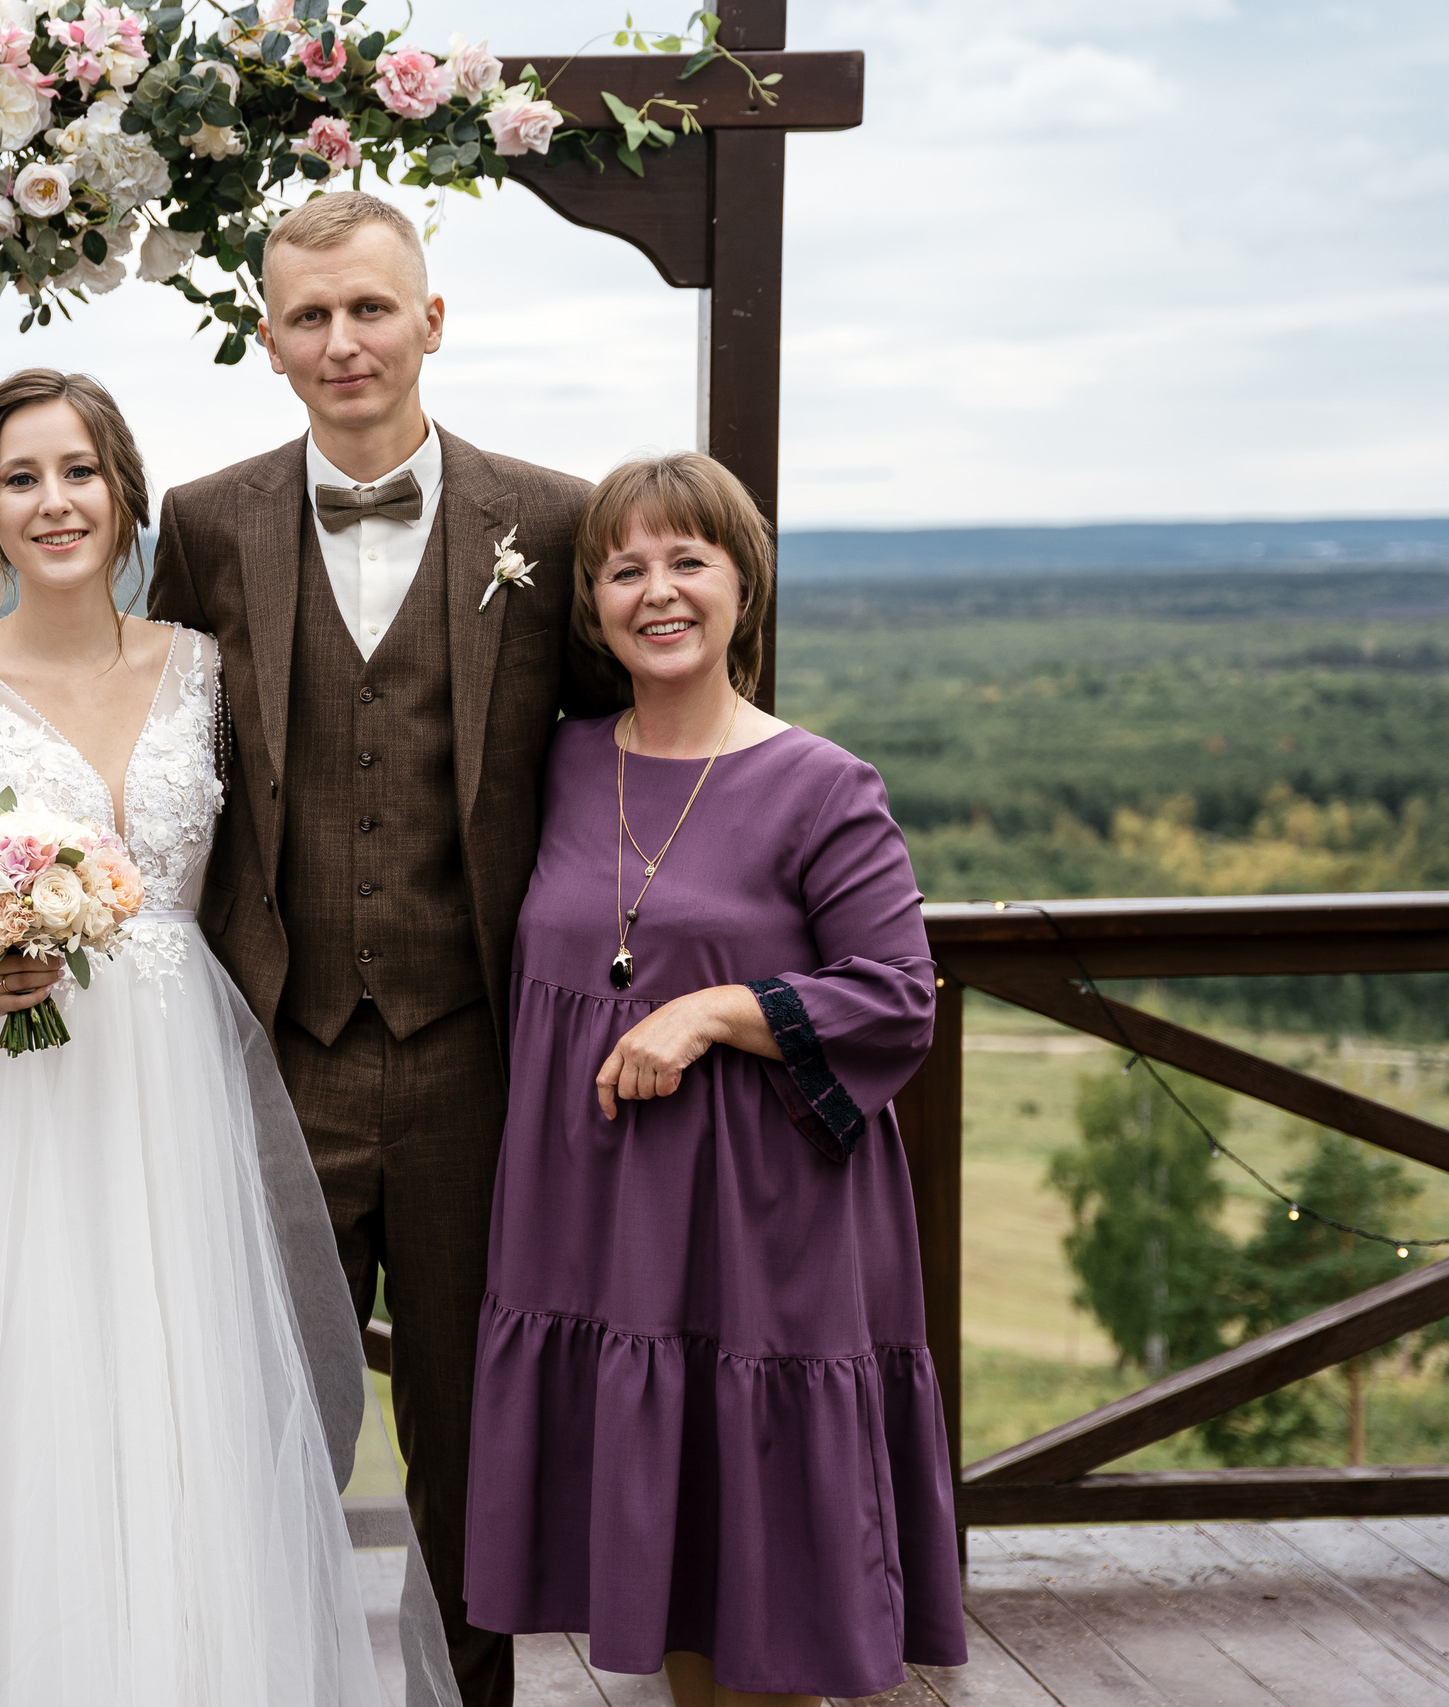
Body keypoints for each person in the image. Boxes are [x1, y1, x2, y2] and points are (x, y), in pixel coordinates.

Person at [0, 369, 428, 1706]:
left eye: (77, 470)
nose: (53, 500)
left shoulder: (202, 665)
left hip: (176, 1083)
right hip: (8, 1095)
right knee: (21, 1406)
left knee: (180, 1399)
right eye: (20, 478)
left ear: (125, 493)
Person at [148, 190, 597, 1707]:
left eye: (370, 308)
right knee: (269, 1420)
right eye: (310, 316)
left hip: (483, 1055)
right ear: (270, 342)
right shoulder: (205, 525)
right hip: (280, 1051)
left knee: (478, 1432)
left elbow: (625, 755)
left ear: (431, 319)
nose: (343, 341)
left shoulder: (554, 515)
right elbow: (157, 750)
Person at [462, 451, 966, 1705]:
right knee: (672, 1574)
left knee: (760, 1582)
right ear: (593, 604)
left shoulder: (821, 787)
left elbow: (901, 995)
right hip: (592, 1228)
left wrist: (716, 1010)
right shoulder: (564, 762)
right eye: (625, 568)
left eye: (689, 560)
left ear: (745, 584)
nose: (658, 591)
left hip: (759, 1235)